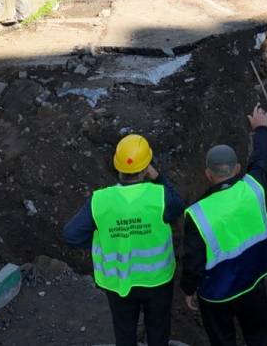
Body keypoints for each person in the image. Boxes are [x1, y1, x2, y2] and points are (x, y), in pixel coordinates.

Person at [63, 134, 184, 346]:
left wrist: (104, 239)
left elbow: (71, 235)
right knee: (158, 329)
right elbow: (178, 204)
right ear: (146, 166)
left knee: (124, 331)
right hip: (156, 280)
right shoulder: (160, 196)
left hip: (118, 281)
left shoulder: (100, 200)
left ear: (117, 166)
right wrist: (158, 177)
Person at [182, 104, 267, 346]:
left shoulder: (197, 214)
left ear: (208, 174)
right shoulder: (253, 188)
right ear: (237, 169)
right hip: (253, 283)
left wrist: (188, 289)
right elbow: (262, 159)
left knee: (222, 341)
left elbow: (193, 261)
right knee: (259, 336)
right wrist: (261, 129)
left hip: (217, 294)